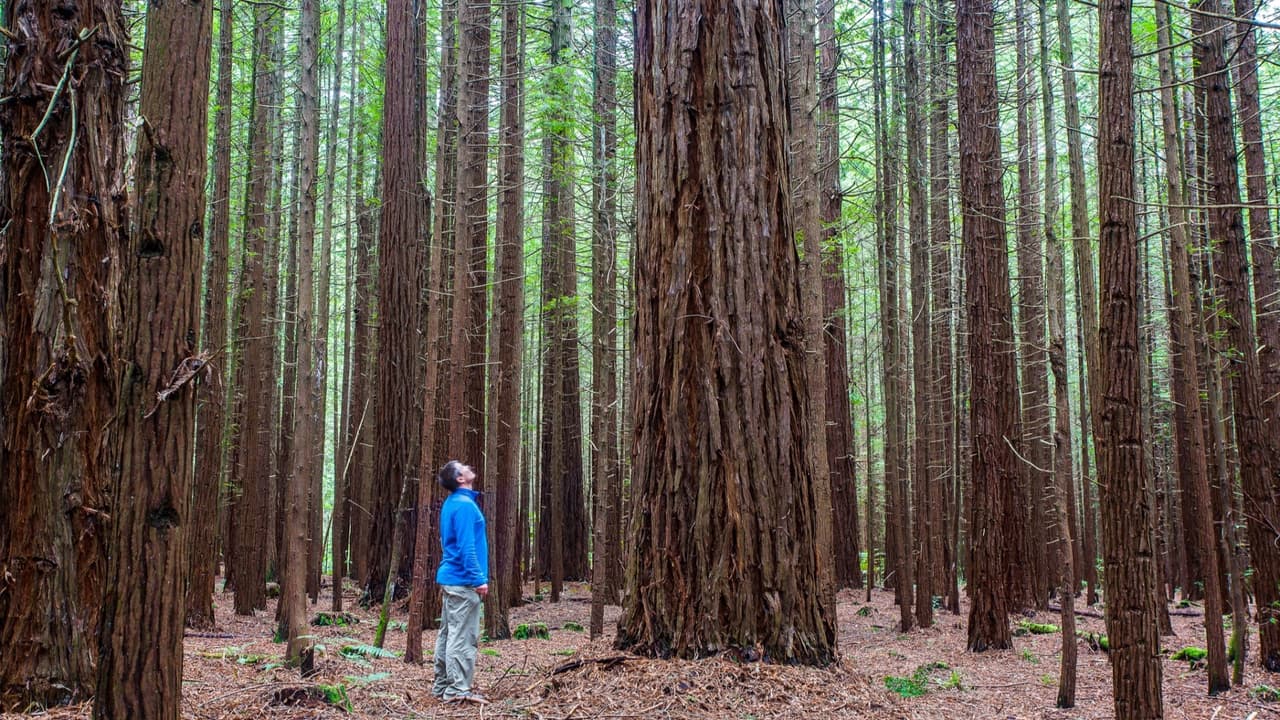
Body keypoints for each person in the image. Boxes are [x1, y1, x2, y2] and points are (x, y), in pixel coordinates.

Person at [431, 460, 490, 704]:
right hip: (463, 581)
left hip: (453, 578)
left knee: (449, 633)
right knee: (462, 636)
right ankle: (456, 690)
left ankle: (442, 685)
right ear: (459, 479)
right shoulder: (464, 505)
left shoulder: (454, 503)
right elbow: (467, 547)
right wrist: (479, 579)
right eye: (463, 466)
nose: (468, 466)